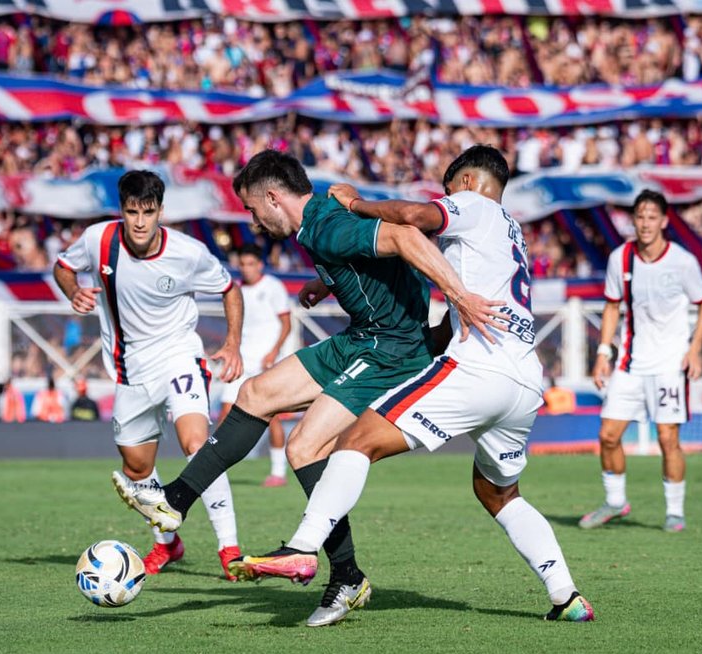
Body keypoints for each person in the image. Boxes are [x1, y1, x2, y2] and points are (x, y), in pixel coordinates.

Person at [112, 149, 503, 627]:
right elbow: (371, 253)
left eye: (254, 210)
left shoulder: (324, 225)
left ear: (274, 198)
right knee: (254, 394)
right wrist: (329, 282)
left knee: (304, 447)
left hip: (390, 349)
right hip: (362, 336)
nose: (254, 222)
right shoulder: (320, 218)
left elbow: (404, 235)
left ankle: (345, 575)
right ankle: (175, 501)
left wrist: (460, 296)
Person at [230, 146, 594, 623]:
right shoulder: (513, 234)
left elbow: (411, 217)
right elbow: (454, 327)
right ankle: (566, 596)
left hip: (479, 371)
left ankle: (303, 547)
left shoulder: (474, 204)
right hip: (524, 382)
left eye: (448, 191)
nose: (445, 201)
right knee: (498, 493)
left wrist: (356, 203)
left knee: (355, 441)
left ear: (465, 182)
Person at [54, 170, 245, 577]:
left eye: (148, 212)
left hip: (179, 354)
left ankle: (230, 549)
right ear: (121, 211)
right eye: (131, 212)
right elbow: (63, 266)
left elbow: (230, 288)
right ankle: (167, 544)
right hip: (130, 369)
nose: (140, 222)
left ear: (161, 211)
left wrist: (232, 343)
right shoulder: (98, 240)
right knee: (137, 467)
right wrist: (73, 291)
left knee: (197, 443)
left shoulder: (188, 253)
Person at [579, 189, 702, 533]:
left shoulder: (682, 261)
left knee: (668, 439)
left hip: (669, 366)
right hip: (629, 363)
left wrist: (695, 349)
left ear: (665, 222)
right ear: (633, 221)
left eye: (653, 217)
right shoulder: (620, 258)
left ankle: (675, 512)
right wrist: (603, 354)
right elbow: (611, 306)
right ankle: (614, 501)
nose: (646, 223)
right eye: (640, 217)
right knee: (608, 435)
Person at [217, 245, 292, 488]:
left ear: (260, 264)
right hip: (241, 360)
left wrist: (273, 351)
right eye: (243, 264)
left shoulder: (272, 286)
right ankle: (214, 469)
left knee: (272, 417)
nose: (246, 269)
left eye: (251, 264)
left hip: (265, 362)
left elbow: (286, 323)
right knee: (225, 414)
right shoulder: (236, 290)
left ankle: (278, 473)